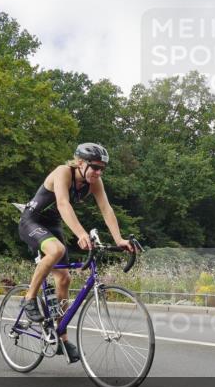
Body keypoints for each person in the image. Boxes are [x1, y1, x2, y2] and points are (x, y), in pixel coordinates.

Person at [17, 143, 133, 363]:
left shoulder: (94, 182)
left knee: (64, 279)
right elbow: (63, 204)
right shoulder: (63, 172)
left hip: (53, 225)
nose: (98, 173)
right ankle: (29, 298)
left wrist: (119, 239)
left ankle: (61, 337)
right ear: (80, 162)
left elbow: (106, 209)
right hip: (32, 221)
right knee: (57, 249)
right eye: (95, 167)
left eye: (102, 169)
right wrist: (80, 233)